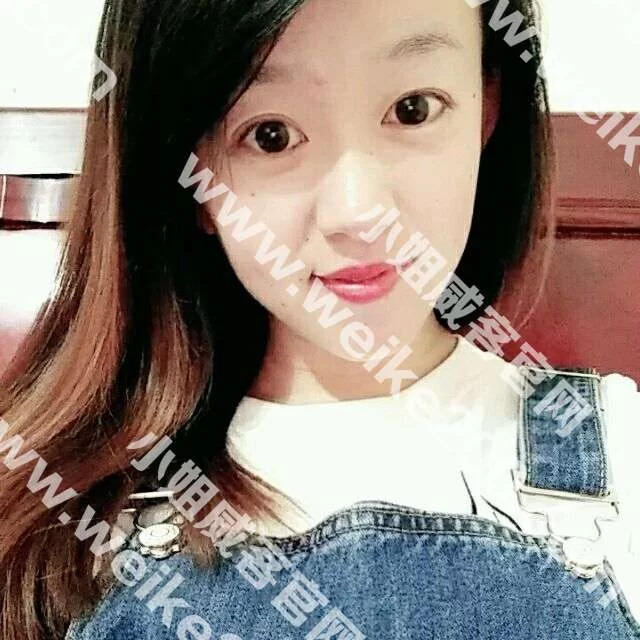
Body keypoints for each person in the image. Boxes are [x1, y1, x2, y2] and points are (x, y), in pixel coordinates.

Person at [1, 0, 638, 638]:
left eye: (413, 108)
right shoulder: (65, 510)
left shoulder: (620, 453)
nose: (359, 213)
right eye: (270, 135)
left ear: (487, 109)